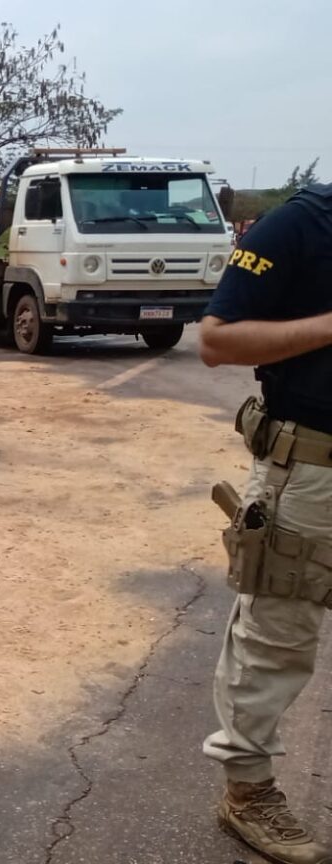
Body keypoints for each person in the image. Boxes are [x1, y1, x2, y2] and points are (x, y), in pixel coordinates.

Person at [196, 182, 332, 864]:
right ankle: (248, 792)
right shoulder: (301, 225)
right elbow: (217, 341)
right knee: (278, 636)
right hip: (312, 470)